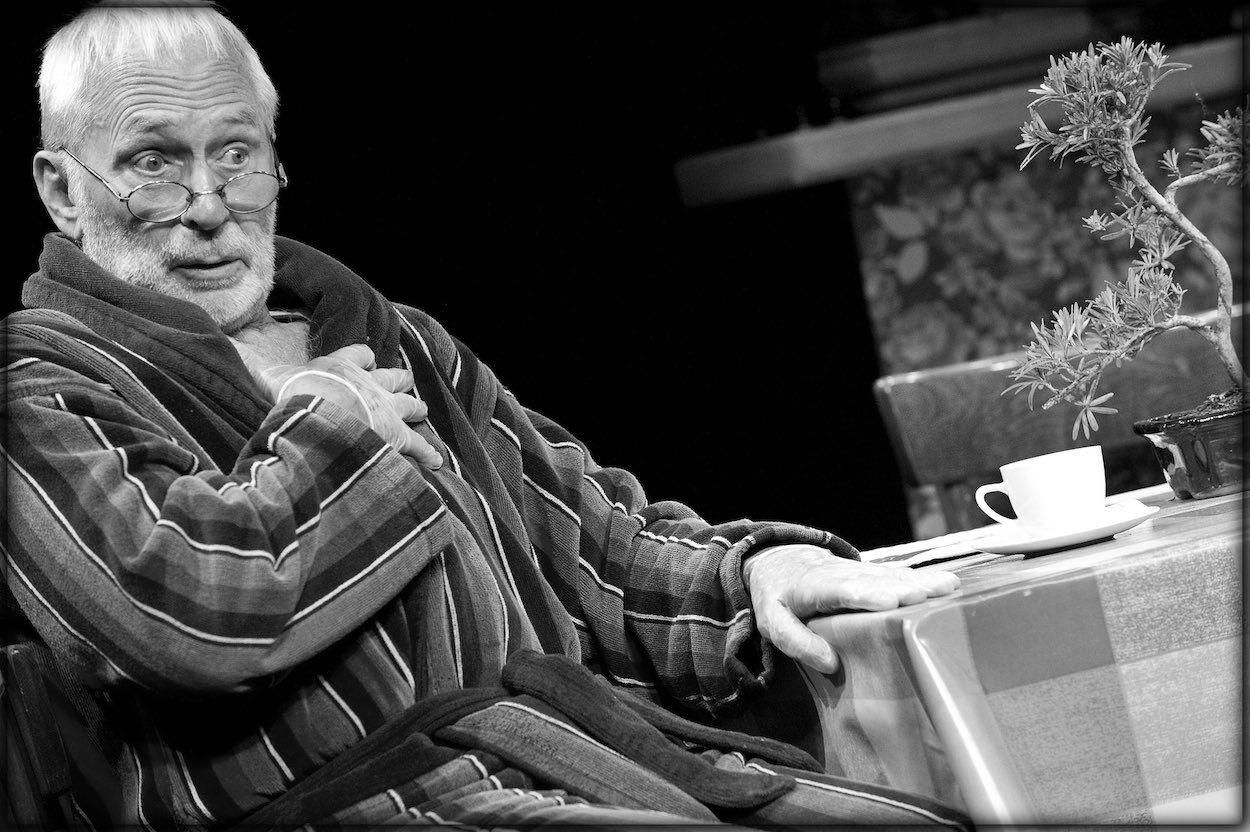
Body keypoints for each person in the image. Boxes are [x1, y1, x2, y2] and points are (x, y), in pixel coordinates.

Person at [4, 3, 966, 829]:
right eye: (154, 164)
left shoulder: (393, 340)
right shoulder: (39, 388)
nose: (210, 205)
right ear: (61, 190)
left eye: (237, 156)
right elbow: (179, 616)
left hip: (580, 768)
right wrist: (332, 429)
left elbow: (601, 549)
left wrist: (753, 575)